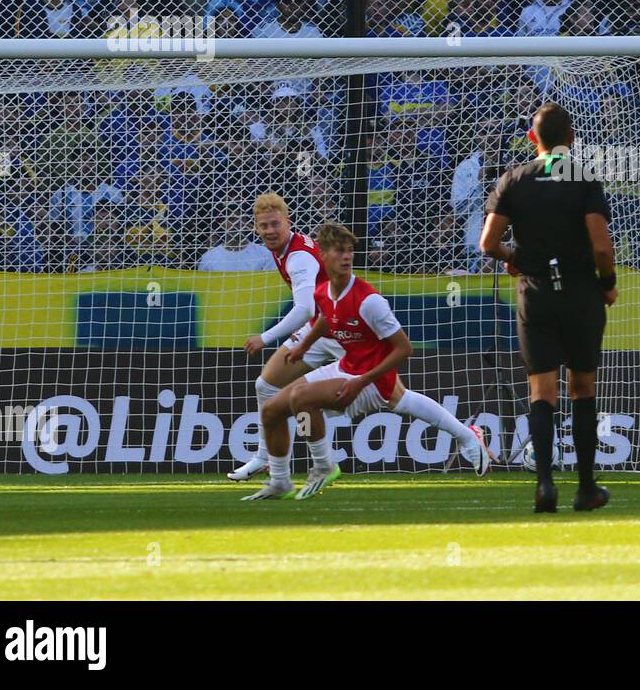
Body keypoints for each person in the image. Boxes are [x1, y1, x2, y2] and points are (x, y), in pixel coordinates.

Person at [245, 222, 491, 500]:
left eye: (350, 251)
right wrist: (304, 346)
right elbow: (325, 319)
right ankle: (280, 482)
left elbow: (404, 349)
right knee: (272, 410)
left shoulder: (369, 300)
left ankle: (324, 467)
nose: (347, 257)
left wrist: (361, 381)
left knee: (302, 399)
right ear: (323, 256)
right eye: (339, 251)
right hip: (347, 366)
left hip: (371, 378)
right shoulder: (323, 292)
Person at [479, 102, 616, 513]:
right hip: (579, 294)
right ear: (571, 139)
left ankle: (544, 485)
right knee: (583, 387)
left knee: (541, 390)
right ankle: (587, 488)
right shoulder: (583, 177)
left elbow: (487, 244)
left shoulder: (514, 179)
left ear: (531, 138)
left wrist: (513, 257)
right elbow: (601, 246)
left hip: (535, 292)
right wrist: (607, 284)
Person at [228, 192, 344, 482]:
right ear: (255, 228)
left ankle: (465, 436)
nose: (269, 231)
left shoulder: (298, 257)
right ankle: (263, 459)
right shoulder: (282, 249)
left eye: (275, 224)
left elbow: (304, 308)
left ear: (287, 222)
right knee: (266, 385)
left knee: (393, 397)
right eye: (263, 226)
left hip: (345, 331)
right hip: (319, 329)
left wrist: (264, 338)